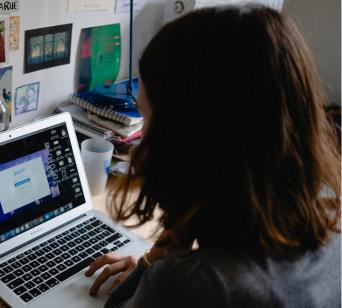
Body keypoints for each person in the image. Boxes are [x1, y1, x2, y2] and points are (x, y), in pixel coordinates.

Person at [85, 5, 341, 307]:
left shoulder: (196, 284)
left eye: (146, 120)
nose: (137, 146)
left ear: (189, 137)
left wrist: (152, 268)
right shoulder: (329, 210)